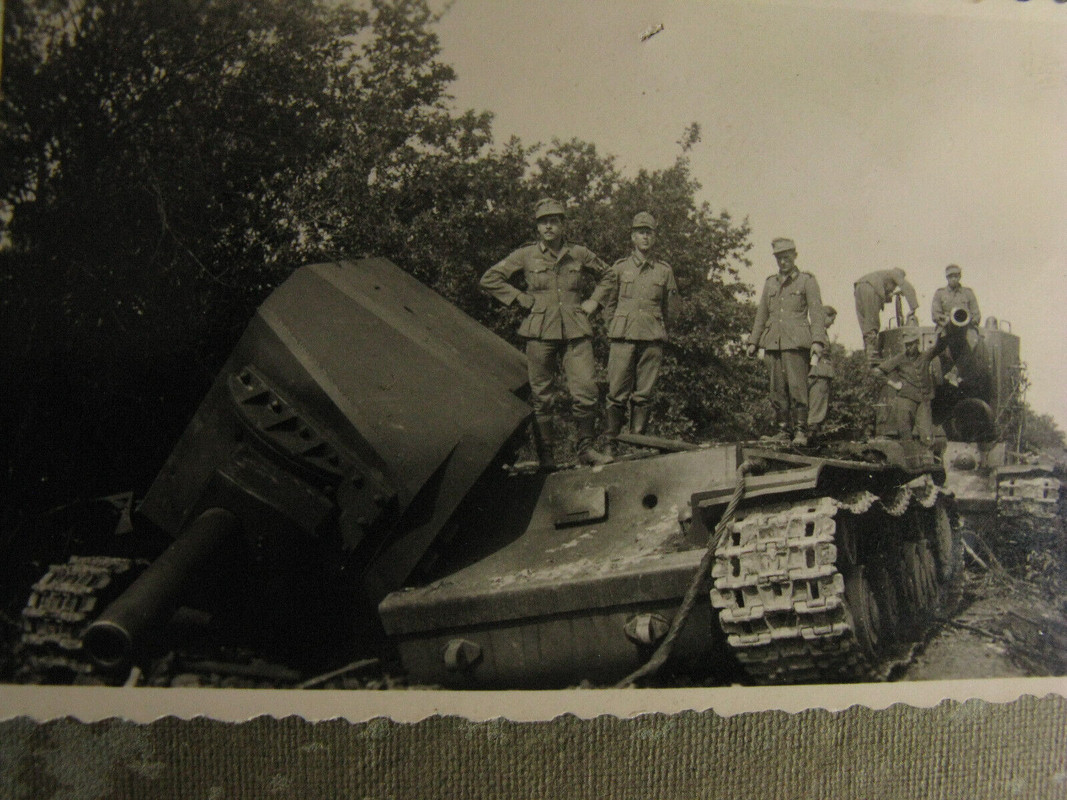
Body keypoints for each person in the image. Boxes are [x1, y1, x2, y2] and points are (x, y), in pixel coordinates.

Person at [480, 197, 614, 467]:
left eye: (554, 221)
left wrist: (594, 302)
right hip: (540, 331)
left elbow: (610, 275)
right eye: (544, 222)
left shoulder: (579, 253)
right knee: (542, 396)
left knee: (586, 390)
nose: (549, 227)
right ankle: (547, 455)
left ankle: (585, 449)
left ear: (563, 225)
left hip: (576, 330)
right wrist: (519, 298)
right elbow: (489, 279)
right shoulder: (525, 255)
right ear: (537, 228)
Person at [602, 212, 680, 450]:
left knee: (644, 394)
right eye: (641, 232)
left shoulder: (664, 271)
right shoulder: (619, 268)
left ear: (654, 237)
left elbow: (672, 309)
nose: (645, 237)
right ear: (633, 237)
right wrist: (613, 329)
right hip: (622, 338)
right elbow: (608, 304)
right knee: (616, 392)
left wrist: (661, 329)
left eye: (649, 233)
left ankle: (637, 444)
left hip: (651, 338)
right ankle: (610, 443)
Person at [746, 237, 827, 446]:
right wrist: (753, 341)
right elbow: (761, 314)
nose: (784, 261)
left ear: (795, 256)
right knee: (776, 390)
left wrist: (818, 341)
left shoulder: (807, 281)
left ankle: (801, 431)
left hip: (796, 343)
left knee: (798, 389)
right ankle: (783, 430)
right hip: (773, 343)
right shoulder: (770, 283)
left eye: (787, 256)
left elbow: (817, 314)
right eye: (780, 258)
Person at [871, 327, 935, 445]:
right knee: (905, 433)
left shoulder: (925, 357)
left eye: (911, 344)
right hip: (906, 399)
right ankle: (908, 459)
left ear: (917, 343)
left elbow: (940, 345)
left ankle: (927, 459)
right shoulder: (900, 358)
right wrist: (893, 384)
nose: (908, 347)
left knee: (927, 435)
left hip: (924, 400)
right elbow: (877, 371)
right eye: (907, 345)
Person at [853, 268, 919, 362]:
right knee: (872, 322)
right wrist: (913, 307)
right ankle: (872, 353)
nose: (895, 287)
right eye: (895, 285)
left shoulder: (882, 277)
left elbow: (884, 294)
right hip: (870, 288)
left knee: (865, 322)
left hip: (859, 287)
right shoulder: (895, 273)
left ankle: (868, 351)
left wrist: (893, 294)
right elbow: (907, 287)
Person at [930, 263, 981, 359]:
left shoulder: (968, 293)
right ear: (947, 278)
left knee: (973, 344)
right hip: (945, 328)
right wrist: (945, 320)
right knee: (932, 349)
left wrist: (969, 320)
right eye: (950, 277)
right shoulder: (940, 293)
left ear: (960, 277)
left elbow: (976, 315)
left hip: (965, 330)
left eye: (956, 276)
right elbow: (935, 314)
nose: (953, 279)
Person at [806, 305, 837, 441]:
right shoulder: (816, 333)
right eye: (832, 319)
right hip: (820, 372)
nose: (833, 323)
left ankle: (814, 430)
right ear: (825, 316)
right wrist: (813, 370)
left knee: (818, 403)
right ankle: (812, 432)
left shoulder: (819, 332)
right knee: (818, 403)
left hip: (821, 371)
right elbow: (815, 354)